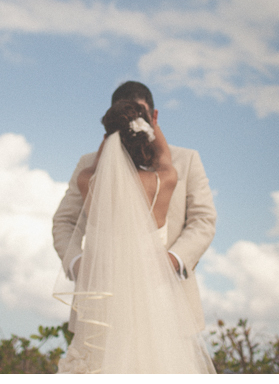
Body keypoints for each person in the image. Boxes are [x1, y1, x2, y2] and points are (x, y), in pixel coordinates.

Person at [52, 82, 217, 373]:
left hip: (168, 298)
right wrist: (78, 265)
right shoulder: (166, 173)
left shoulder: (187, 160)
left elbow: (203, 220)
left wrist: (173, 261)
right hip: (100, 300)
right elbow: (65, 221)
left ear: (154, 114)